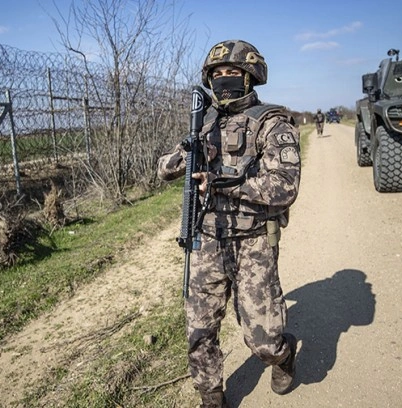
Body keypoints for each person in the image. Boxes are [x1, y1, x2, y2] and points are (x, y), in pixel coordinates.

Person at [157, 39, 301, 408]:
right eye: (217, 74)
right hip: (207, 239)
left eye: (232, 73)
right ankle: (211, 394)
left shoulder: (271, 122)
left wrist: (225, 184)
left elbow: (284, 187)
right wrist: (187, 152)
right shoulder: (202, 123)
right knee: (199, 330)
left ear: (250, 77)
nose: (223, 80)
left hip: (253, 241)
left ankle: (282, 356)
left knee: (262, 340)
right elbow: (164, 170)